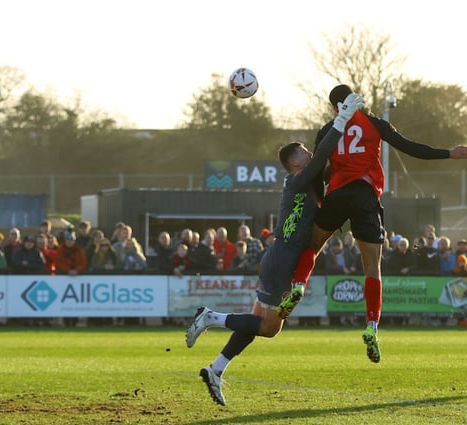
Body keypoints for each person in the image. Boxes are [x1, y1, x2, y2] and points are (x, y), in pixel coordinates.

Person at [186, 93, 364, 406]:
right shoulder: (297, 179)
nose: (311, 155)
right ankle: (211, 316)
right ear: (296, 162)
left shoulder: (303, 181)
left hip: (280, 256)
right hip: (282, 258)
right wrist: (341, 119)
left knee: (257, 323)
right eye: (306, 153)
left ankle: (216, 369)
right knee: (270, 328)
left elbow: (326, 159)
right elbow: (323, 155)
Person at [278, 84, 467, 364]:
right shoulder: (375, 123)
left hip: (338, 194)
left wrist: (319, 202)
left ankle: (298, 285)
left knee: (314, 247)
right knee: (372, 267)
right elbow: (410, 147)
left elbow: (317, 170)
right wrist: (448, 153)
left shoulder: (328, 130)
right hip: (365, 195)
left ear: (334, 108)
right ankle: (371, 325)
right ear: (356, 100)